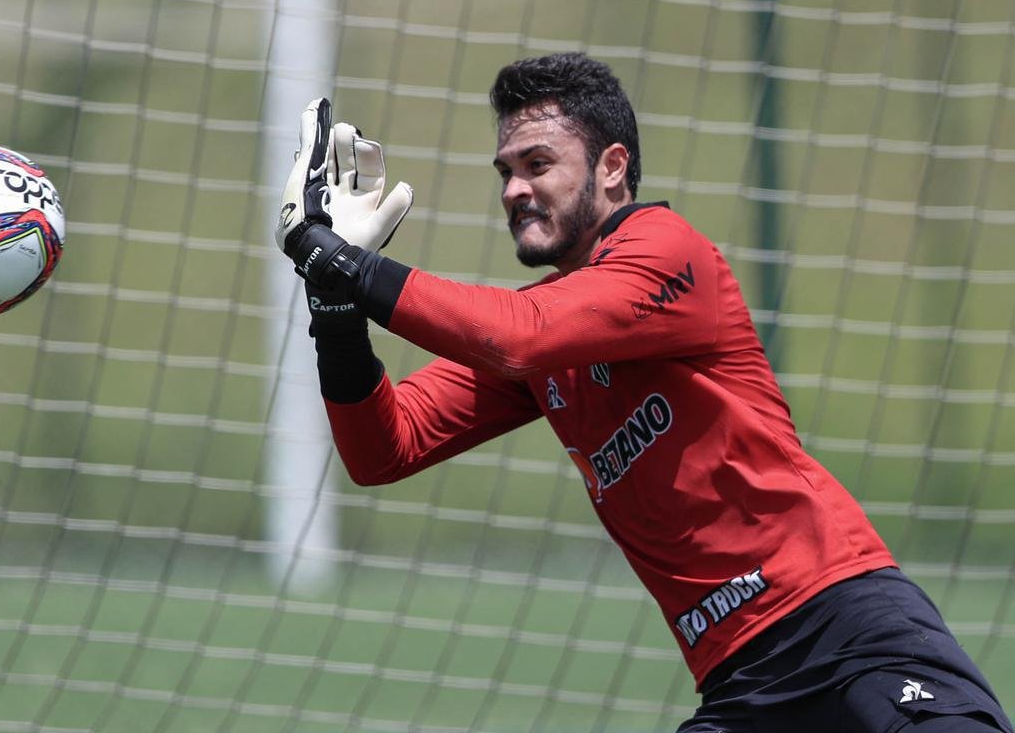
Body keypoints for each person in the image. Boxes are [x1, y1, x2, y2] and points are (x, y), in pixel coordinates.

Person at [272, 52, 1013, 732]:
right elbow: (384, 449)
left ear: (612, 167)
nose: (515, 189)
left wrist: (339, 260)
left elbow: (515, 334)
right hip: (740, 683)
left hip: (847, 626)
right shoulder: (553, 332)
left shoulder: (664, 251)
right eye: (505, 170)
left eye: (538, 163)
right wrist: (335, 311)